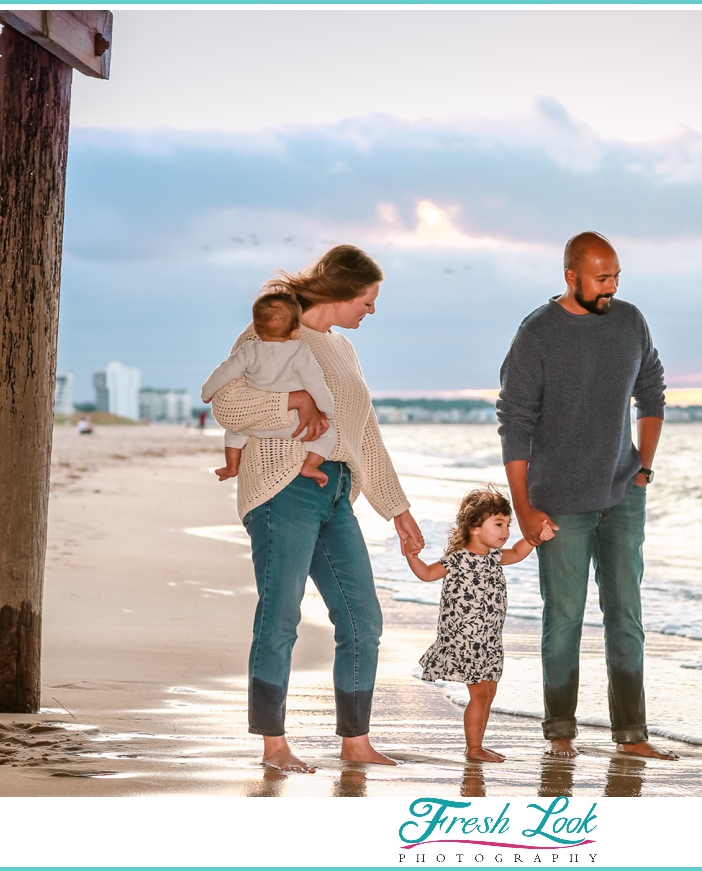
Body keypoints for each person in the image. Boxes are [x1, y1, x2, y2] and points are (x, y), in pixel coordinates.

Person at [209, 244, 424, 772]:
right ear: (343, 293)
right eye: (368, 302)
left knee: (363, 618)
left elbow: (364, 435)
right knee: (281, 615)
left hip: (336, 491)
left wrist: (398, 510)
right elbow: (225, 403)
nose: (370, 312)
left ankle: (356, 741)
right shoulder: (274, 333)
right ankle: (274, 744)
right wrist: (291, 401)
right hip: (281, 488)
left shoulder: (343, 350)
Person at [497, 231, 677, 761]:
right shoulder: (537, 334)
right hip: (558, 504)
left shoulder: (630, 321)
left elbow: (653, 391)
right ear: (571, 276)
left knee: (626, 614)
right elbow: (514, 423)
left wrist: (643, 466)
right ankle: (560, 735)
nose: (612, 287)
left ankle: (632, 735)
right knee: (565, 618)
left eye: (617, 275)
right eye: (602, 278)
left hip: (622, 494)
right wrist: (525, 508)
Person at [404, 488, 553, 762]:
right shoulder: (458, 559)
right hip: (465, 638)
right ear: (474, 527)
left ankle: (478, 745)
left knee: (490, 690)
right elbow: (427, 574)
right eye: (498, 524)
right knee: (481, 693)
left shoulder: (495, 557)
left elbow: (520, 551)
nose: (505, 531)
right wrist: (412, 556)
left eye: (508, 525)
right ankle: (473, 749)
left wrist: (536, 536)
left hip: (490, 638)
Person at [200, 292, 338, 486]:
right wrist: (327, 410)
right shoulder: (299, 351)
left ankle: (231, 466)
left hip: (256, 424)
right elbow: (315, 382)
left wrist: (207, 392)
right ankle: (310, 466)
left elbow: (223, 373)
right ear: (295, 331)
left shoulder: (249, 350)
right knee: (329, 433)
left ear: (257, 328)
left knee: (234, 431)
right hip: (293, 424)